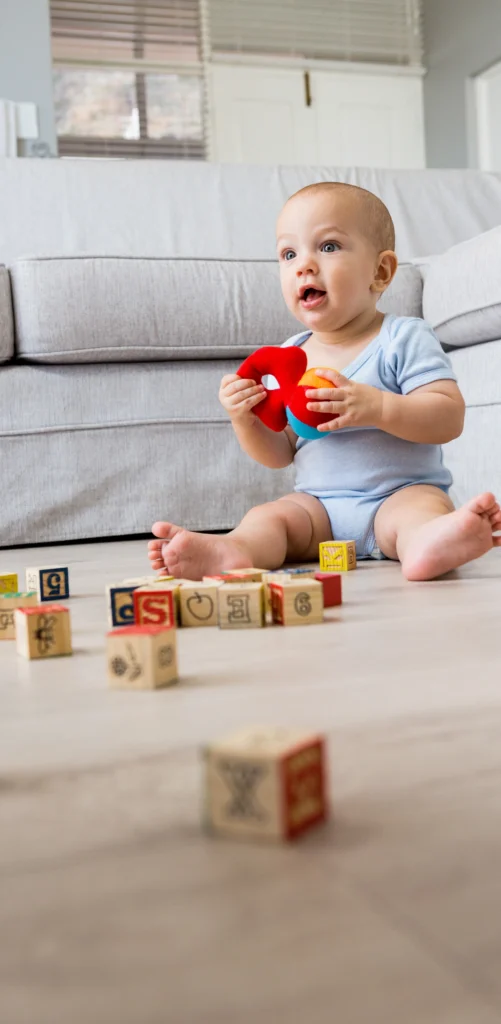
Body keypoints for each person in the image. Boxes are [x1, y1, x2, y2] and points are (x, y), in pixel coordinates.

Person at [148, 182, 501, 582]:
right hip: (318, 509)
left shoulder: (402, 337)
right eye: (289, 253)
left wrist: (378, 406)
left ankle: (427, 544)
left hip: (400, 494)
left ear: (380, 271)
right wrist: (244, 420)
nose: (304, 265)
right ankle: (234, 549)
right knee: (270, 517)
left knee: (419, 513)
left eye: (328, 247)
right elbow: (281, 452)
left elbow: (448, 417)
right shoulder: (290, 356)